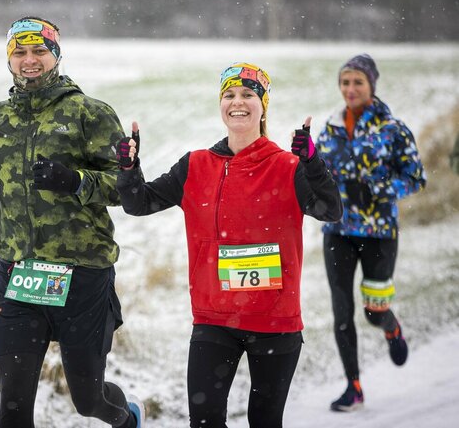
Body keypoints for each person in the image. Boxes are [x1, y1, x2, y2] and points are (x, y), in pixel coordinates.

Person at [0, 16, 144, 428]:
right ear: (9, 60)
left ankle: (126, 419)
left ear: (56, 55)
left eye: (39, 50)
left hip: (83, 274)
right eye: (19, 52)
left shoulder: (88, 114)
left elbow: (124, 189)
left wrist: (75, 181)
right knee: (14, 410)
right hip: (20, 274)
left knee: (89, 400)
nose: (29, 60)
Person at [116, 62, 342, 428]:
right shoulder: (196, 165)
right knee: (204, 421)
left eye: (248, 95)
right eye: (229, 95)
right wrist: (128, 169)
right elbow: (139, 203)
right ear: (220, 104)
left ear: (263, 104)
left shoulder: (287, 166)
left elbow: (331, 210)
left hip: (275, 321)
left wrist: (313, 162)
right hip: (214, 318)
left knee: (264, 421)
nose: (238, 102)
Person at [315, 54, 426, 412]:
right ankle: (354, 388)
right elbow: (315, 172)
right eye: (345, 82)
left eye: (357, 82)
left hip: (379, 232)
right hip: (337, 231)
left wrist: (379, 187)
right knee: (342, 312)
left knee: (372, 310)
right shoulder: (329, 128)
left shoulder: (392, 129)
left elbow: (415, 178)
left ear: (371, 86)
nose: (350, 89)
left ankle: (390, 326)